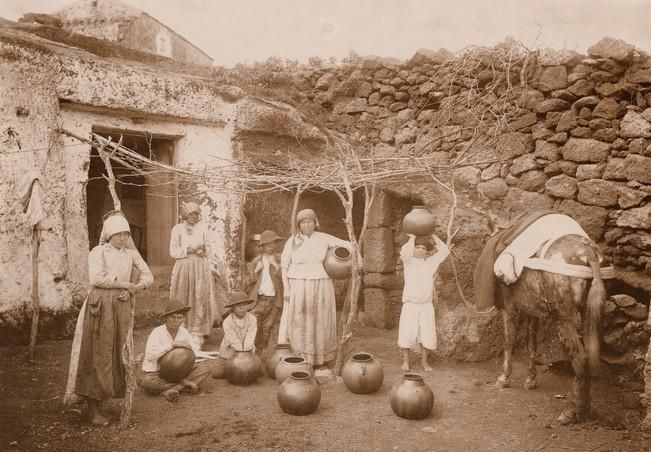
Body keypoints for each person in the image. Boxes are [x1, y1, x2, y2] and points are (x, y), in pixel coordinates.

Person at [66, 214, 153, 426]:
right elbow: (96, 279)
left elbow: (148, 277)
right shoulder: (98, 252)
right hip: (100, 306)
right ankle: (91, 408)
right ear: (108, 234)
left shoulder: (131, 254)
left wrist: (135, 289)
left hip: (121, 307)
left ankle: (103, 399)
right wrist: (123, 285)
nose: (122, 238)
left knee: (117, 352)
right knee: (97, 352)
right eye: (118, 234)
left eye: (126, 234)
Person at [280, 208, 350, 372]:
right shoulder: (292, 241)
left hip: (321, 283)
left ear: (315, 222)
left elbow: (348, 245)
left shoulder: (324, 238)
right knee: (301, 319)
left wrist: (349, 261)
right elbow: (284, 266)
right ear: (299, 225)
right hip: (299, 283)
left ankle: (320, 358)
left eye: (310, 221)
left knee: (320, 318)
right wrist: (286, 289)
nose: (307, 225)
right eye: (303, 222)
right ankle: (301, 356)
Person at [140, 299, 212, 402]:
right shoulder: (157, 332)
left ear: (183, 319)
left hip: (180, 373)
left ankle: (170, 390)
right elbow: (151, 356)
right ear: (166, 318)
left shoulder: (184, 333)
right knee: (147, 382)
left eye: (179, 317)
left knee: (206, 368)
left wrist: (189, 349)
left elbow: (193, 354)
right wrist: (172, 345)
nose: (176, 320)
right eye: (172, 317)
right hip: (159, 373)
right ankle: (182, 385)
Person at [398, 232, 450, 372]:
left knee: (426, 333)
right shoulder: (408, 262)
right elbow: (405, 253)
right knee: (407, 333)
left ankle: (424, 362)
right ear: (413, 249)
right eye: (418, 247)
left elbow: (445, 251)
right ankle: (405, 362)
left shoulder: (430, 263)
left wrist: (434, 236)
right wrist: (413, 238)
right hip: (410, 305)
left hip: (426, 306)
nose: (420, 250)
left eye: (423, 248)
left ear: (427, 252)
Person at [169, 201, 217, 350]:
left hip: (200, 267)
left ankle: (197, 333)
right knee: (183, 297)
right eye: (191, 214)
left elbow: (209, 247)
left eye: (196, 214)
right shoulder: (177, 229)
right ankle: (182, 331)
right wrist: (189, 249)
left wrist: (204, 250)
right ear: (185, 214)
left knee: (199, 297)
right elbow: (173, 251)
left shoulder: (203, 228)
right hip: (184, 267)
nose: (193, 217)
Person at [246, 230, 284, 352]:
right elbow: (248, 283)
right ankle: (250, 349)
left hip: (274, 300)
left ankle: (261, 351)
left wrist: (277, 266)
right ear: (262, 246)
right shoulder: (257, 261)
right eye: (267, 244)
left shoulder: (280, 259)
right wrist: (256, 271)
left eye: (273, 243)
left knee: (267, 328)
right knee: (253, 325)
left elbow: (286, 278)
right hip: (259, 299)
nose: (270, 247)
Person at [212, 291, 258, 378]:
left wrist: (245, 355)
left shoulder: (252, 319)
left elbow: (250, 337)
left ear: (248, 306)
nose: (242, 308)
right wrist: (240, 354)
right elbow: (232, 339)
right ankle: (233, 371)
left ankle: (238, 372)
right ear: (232, 308)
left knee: (258, 371)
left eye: (244, 305)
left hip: (247, 351)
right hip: (229, 351)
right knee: (217, 373)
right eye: (238, 305)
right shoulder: (227, 322)